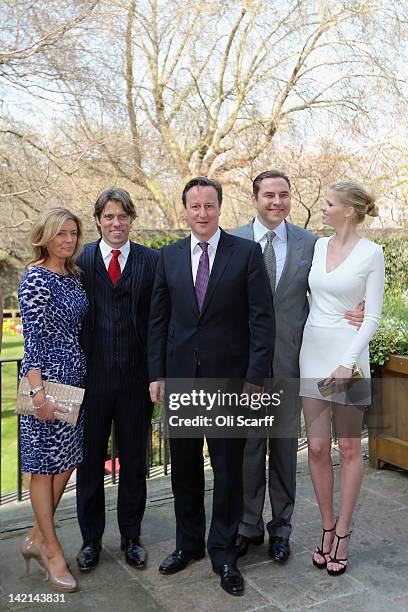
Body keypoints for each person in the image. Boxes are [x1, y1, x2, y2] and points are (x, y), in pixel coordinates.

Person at [148, 176, 275, 596]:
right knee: (184, 468)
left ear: (220, 207)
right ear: (183, 210)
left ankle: (223, 552)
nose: (202, 213)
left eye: (209, 205)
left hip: (230, 382)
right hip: (182, 379)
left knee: (226, 468)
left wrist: (256, 377)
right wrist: (157, 375)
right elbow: (159, 323)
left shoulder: (245, 253)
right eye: (194, 206)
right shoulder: (166, 258)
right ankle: (189, 545)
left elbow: (262, 319)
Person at [231, 170, 364, 563]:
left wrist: (356, 312)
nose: (277, 202)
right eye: (269, 195)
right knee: (250, 449)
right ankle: (248, 526)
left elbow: (332, 287)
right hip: (248, 367)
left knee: (286, 449)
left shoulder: (312, 243)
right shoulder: (234, 241)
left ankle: (281, 530)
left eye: (283, 195)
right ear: (254, 199)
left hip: (294, 360)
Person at [299, 181, 384, 576]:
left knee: (349, 448)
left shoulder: (373, 253)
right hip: (313, 354)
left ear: (348, 211)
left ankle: (344, 533)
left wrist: (347, 363)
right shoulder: (317, 246)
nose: (322, 208)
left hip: (348, 361)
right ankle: (327, 526)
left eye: (328, 204)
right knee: (317, 447)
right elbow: (314, 298)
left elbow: (373, 317)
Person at [76, 188, 158, 572]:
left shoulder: (150, 261)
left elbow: (159, 323)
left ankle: (131, 537)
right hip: (91, 383)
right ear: (97, 220)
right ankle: (91, 539)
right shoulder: (80, 261)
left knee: (134, 461)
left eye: (122, 216)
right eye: (108, 217)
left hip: (135, 382)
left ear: (131, 220)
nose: (115, 223)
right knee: (90, 463)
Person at [18, 208, 89, 593]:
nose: (67, 239)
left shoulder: (74, 277)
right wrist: (37, 393)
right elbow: (32, 342)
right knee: (43, 469)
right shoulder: (35, 278)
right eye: (60, 233)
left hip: (73, 383)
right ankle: (52, 550)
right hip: (44, 383)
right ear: (45, 236)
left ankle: (34, 537)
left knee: (67, 462)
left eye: (73, 233)